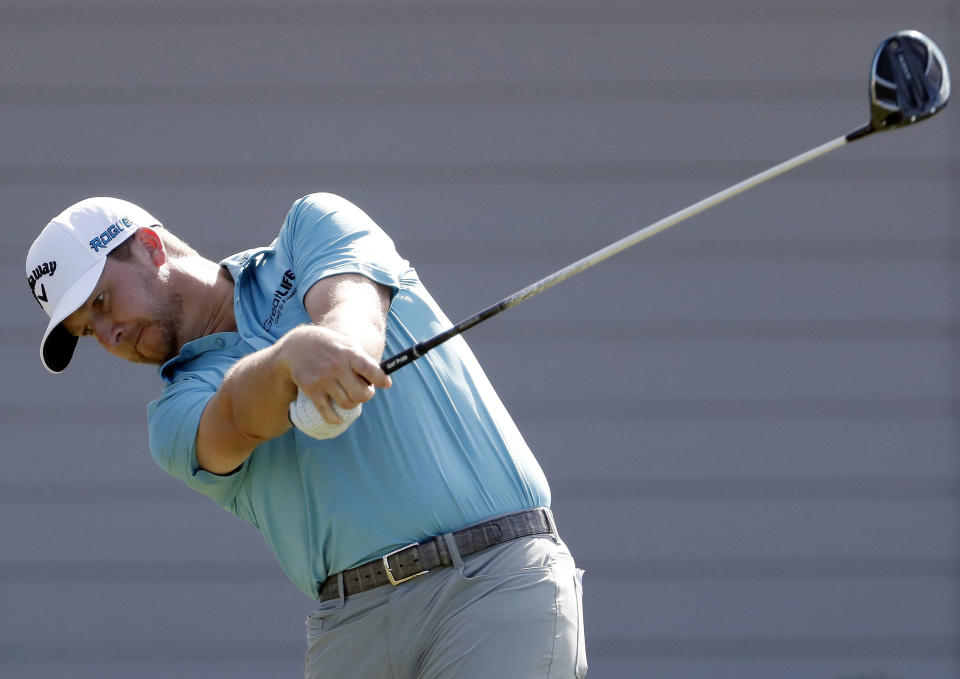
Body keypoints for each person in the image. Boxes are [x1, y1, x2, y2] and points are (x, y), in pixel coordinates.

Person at [25, 193, 587, 678]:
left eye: (100, 303)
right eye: (86, 330)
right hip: (350, 626)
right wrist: (287, 362)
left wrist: (337, 343)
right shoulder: (173, 416)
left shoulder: (311, 227)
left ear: (149, 246)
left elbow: (354, 308)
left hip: (491, 577)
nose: (109, 333)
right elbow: (237, 419)